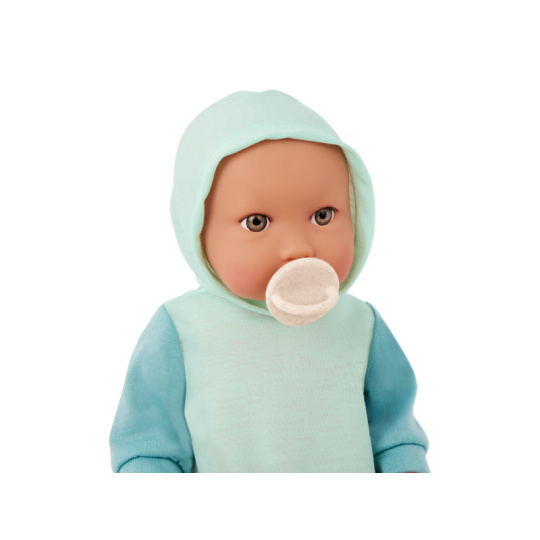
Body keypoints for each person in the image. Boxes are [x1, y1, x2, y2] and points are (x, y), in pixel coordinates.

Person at [109, 90, 430, 473]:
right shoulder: (180, 330)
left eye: (323, 216)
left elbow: (395, 434)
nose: (298, 247)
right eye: (257, 222)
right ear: (196, 230)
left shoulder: (361, 325)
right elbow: (147, 447)